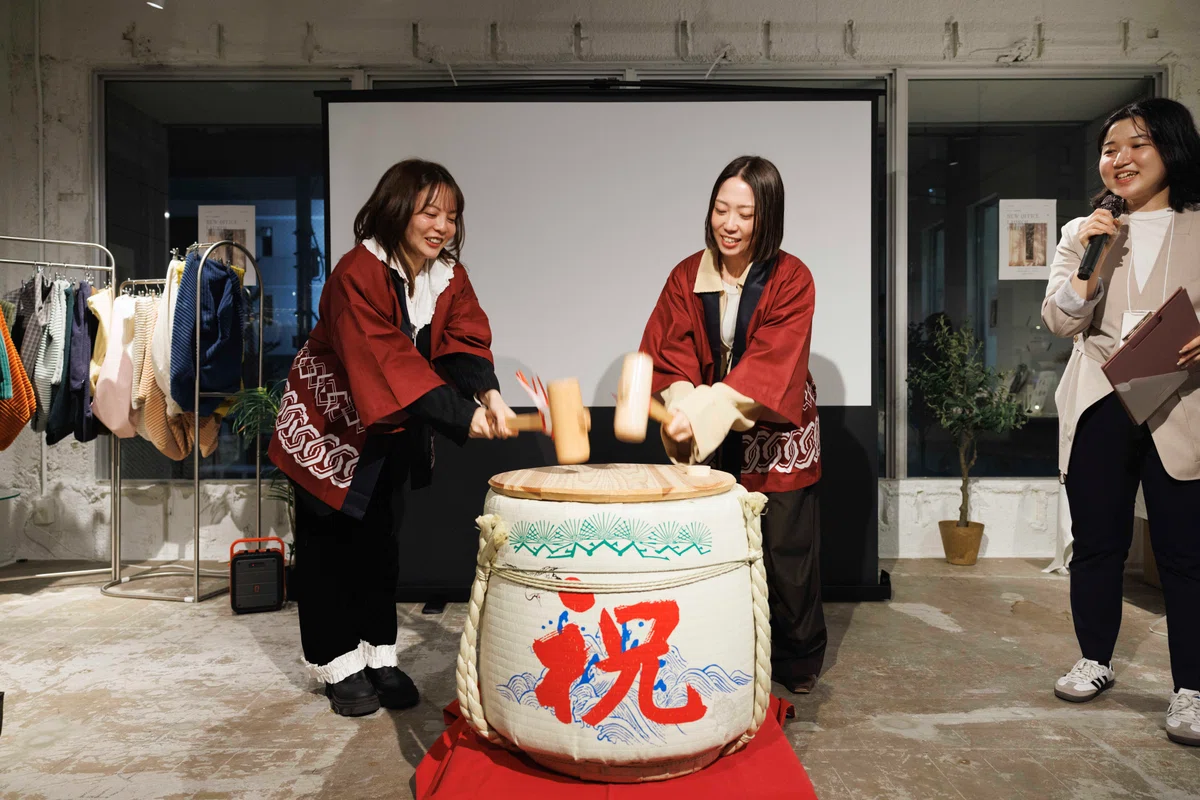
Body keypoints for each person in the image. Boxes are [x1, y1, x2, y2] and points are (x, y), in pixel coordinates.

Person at [268, 159, 515, 717]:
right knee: (329, 547)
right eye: (430, 213)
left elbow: (463, 339)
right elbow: (387, 359)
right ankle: (338, 664)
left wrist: (490, 396)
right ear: (397, 210)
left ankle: (378, 655)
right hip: (330, 426)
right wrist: (461, 415)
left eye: (451, 216)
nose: (442, 227)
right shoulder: (357, 272)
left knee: (380, 542)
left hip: (390, 423)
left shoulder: (447, 275)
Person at [1042, 97, 1200, 746]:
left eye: (1137, 144)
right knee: (1098, 542)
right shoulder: (1084, 231)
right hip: (1099, 398)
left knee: (1185, 551)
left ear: (1172, 148)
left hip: (1182, 400)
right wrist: (1090, 261)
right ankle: (1095, 659)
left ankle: (1191, 689)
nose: (1120, 158)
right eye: (1110, 149)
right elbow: (1060, 321)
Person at [638, 155, 825, 694]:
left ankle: (797, 657)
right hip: (706, 424)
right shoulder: (686, 275)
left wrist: (700, 418)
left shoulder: (792, 278)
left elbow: (770, 364)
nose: (730, 224)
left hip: (776, 425)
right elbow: (669, 351)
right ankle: (724, 653)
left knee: (785, 551)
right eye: (721, 210)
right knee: (712, 543)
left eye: (745, 213)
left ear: (768, 217)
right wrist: (680, 408)